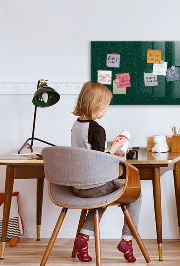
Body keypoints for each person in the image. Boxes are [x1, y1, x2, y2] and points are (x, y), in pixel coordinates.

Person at [71, 81, 141, 263]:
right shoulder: (97, 129)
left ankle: (83, 238)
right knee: (136, 194)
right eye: (106, 105)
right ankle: (127, 240)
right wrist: (115, 149)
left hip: (77, 186)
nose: (107, 109)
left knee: (102, 198)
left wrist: (110, 150)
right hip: (94, 186)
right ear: (97, 105)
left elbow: (88, 154)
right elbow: (98, 161)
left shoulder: (76, 125)